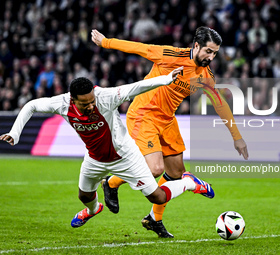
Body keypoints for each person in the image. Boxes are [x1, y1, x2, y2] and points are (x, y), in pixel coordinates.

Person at [0, 67, 216, 229]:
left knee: (157, 197)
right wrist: (15, 133)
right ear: (73, 100)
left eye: (92, 101)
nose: (91, 105)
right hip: (94, 159)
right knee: (84, 195)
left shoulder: (105, 97)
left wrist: (166, 79)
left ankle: (189, 183)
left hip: (125, 157)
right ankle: (93, 210)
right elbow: (31, 105)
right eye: (85, 104)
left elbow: (137, 86)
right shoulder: (61, 104)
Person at [91, 26, 249, 238]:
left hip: (167, 120)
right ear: (196, 46)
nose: (211, 57)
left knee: (175, 174)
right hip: (143, 114)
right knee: (154, 169)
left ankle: (154, 219)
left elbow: (220, 104)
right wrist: (106, 42)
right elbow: (141, 48)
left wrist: (237, 137)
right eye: (208, 51)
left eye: (214, 53)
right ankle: (111, 183)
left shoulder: (205, 74)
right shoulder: (172, 55)